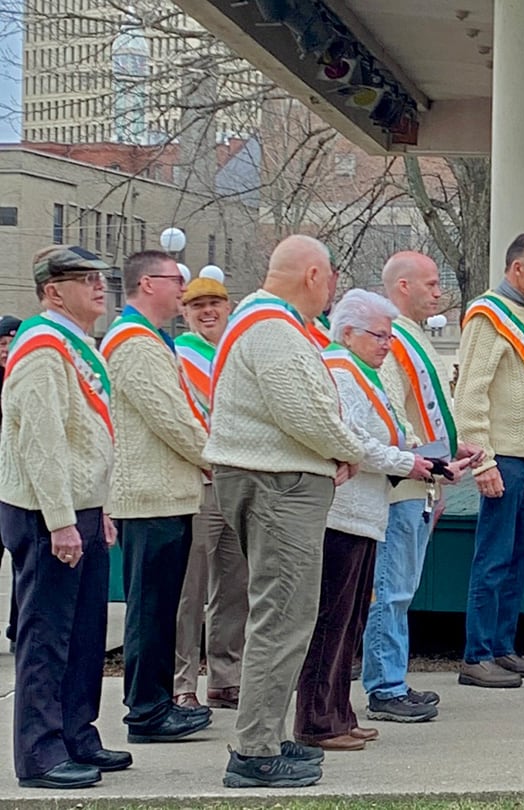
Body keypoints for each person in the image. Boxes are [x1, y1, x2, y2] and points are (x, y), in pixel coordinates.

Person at [204, 235, 368, 788]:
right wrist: (345, 450)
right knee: (282, 617)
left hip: (274, 477)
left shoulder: (260, 321)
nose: (332, 292)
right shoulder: (274, 328)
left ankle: (266, 738)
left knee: (283, 614)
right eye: (332, 280)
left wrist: (331, 451)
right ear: (314, 275)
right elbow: (304, 410)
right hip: (278, 486)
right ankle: (254, 752)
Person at [295, 289, 469, 751]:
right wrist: (410, 464)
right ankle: (317, 721)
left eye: (390, 335)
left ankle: (338, 713)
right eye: (378, 335)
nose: (387, 343)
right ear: (347, 332)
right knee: (331, 622)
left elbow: (391, 433)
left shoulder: (365, 373)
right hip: (343, 514)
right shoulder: (339, 371)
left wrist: (434, 460)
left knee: (350, 622)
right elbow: (354, 441)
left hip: (367, 513)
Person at [0, 246, 126, 788]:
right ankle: (40, 752)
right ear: (53, 291)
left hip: (81, 507)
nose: (100, 287)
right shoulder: (43, 349)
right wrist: (60, 519)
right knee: (46, 634)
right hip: (45, 508)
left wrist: (100, 510)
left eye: (101, 278)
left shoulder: (75, 345)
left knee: (82, 634)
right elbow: (43, 441)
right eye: (84, 279)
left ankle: (76, 733)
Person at [100, 251, 214, 745]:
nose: (183, 291)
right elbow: (169, 418)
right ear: (147, 283)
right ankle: (147, 711)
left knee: (162, 606)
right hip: (149, 499)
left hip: (167, 495)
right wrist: (215, 457)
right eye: (177, 280)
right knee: (150, 609)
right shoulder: (133, 343)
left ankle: (158, 702)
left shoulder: (150, 341)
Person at [365, 252, 483, 721]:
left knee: (402, 587)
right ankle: (384, 686)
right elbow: (392, 412)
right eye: (431, 284)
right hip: (404, 483)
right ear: (403, 287)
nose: (439, 292)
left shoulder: (413, 338)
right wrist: (428, 462)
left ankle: (393, 678)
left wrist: (451, 454)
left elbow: (431, 410)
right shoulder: (391, 340)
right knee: (390, 587)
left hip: (424, 480)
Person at [454, 233, 524, 689]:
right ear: (515, 268)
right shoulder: (488, 316)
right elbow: (471, 395)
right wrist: (483, 462)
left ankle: (503, 648)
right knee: (494, 557)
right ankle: (476, 654)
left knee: (518, 555)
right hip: (502, 459)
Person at [172, 275, 248, 712]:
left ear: (227, 306)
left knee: (235, 586)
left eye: (214, 303)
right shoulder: (179, 357)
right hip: (199, 481)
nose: (207, 311)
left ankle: (225, 676)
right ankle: (184, 682)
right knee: (191, 591)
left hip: (237, 480)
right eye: (197, 305)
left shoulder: (237, 353)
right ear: (184, 312)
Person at [0, 313, 22, 650]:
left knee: (23, 565)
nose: (6, 350)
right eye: (2, 344)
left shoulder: (25, 375)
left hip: (17, 487)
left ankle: (18, 629)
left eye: (11, 343)